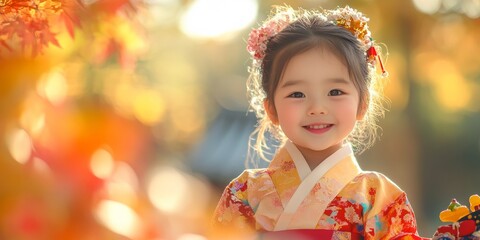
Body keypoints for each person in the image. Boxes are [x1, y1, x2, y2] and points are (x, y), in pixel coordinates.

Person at [213, 5, 424, 239]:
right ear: (271, 109)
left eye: (335, 92)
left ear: (363, 103)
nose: (317, 109)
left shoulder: (378, 197)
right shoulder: (244, 192)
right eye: (297, 94)